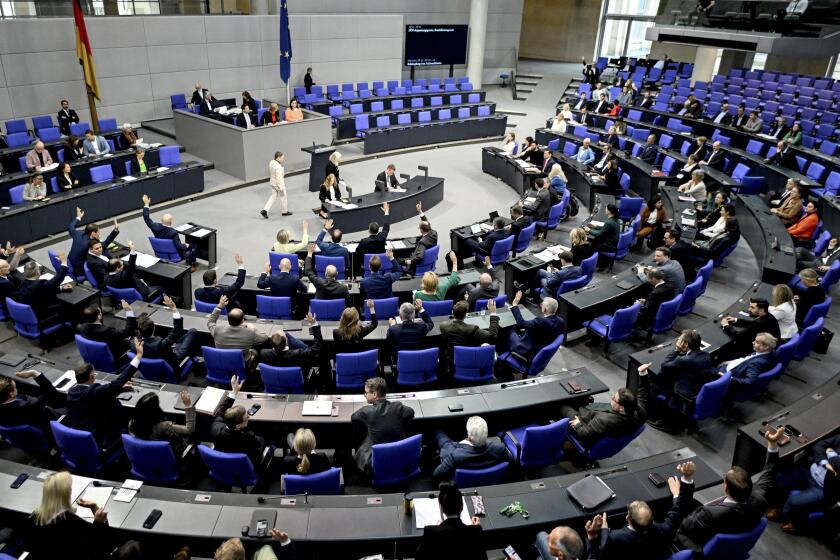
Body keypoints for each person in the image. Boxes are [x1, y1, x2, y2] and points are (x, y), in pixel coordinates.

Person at [674, 427, 784, 553]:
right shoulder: (760, 499)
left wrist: (679, 495)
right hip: (733, 546)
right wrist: (772, 443)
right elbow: (770, 470)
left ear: (725, 487)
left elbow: (682, 532)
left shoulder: (709, 514)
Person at [586, 462, 697, 559]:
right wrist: (686, 480)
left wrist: (603, 530)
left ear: (628, 518)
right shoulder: (664, 529)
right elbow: (679, 509)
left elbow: (603, 550)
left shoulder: (615, 538)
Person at [68, 342, 142, 444]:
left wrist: (119, 388)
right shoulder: (94, 391)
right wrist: (138, 356)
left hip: (80, 434)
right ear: (92, 377)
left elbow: (98, 396)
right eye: (93, 373)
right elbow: (118, 382)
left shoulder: (72, 392)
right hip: (100, 437)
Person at [24, 471, 109, 560]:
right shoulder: (70, 521)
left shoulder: (35, 517)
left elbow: (28, 545)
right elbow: (100, 543)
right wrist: (98, 520)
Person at [561, 362, 649, 446]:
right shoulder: (640, 410)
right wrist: (643, 373)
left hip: (584, 422)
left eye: (614, 399)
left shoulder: (605, 420)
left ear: (621, 408)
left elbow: (585, 434)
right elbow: (643, 393)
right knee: (583, 398)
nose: (612, 398)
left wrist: (578, 425)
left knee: (562, 405)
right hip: (598, 416)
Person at [768, 433, 840, 534]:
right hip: (810, 472)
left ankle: (788, 518)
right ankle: (784, 509)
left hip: (823, 487)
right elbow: (819, 445)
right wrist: (825, 462)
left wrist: (831, 454)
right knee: (781, 477)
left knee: (794, 500)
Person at [647, 330, 715, 432]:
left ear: (685, 344)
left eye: (680, 339)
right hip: (698, 388)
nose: (678, 339)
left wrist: (676, 350)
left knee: (654, 383)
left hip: (684, 391)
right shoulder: (706, 355)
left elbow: (665, 365)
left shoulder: (684, 360)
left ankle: (663, 421)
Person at [351, 377, 414, 473]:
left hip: (376, 463)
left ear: (375, 394)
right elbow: (411, 412)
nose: (364, 395)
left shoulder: (366, 411)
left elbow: (353, 417)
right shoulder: (398, 406)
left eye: (366, 393)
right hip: (399, 457)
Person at [415, 483, 487, 560]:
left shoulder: (431, 532)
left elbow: (418, 557)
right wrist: (474, 528)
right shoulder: (476, 531)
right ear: (461, 507)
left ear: (441, 507)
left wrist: (437, 528)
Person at [210, 375, 267, 469]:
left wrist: (234, 392)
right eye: (246, 417)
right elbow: (260, 444)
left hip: (225, 466)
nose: (249, 416)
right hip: (246, 467)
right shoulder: (248, 437)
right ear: (238, 426)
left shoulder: (215, 428)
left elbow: (221, 410)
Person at [433, 416, 507, 479]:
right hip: (491, 483)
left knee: (439, 434)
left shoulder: (455, 455)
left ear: (469, 436)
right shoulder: (499, 449)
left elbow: (436, 474)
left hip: (460, 486)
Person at [129, 391, 195, 460]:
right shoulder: (163, 426)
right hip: (172, 457)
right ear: (155, 409)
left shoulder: (132, 423)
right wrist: (188, 406)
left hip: (149, 457)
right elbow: (189, 429)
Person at [439, 300, 500, 375]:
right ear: (465, 315)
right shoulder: (472, 329)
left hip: (453, 361)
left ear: (452, 312)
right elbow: (492, 335)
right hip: (472, 360)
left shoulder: (443, 326)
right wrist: (493, 313)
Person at [136, 295, 198, 368]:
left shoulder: (134, 344)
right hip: (174, 359)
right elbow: (177, 330)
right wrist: (174, 308)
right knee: (192, 331)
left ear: (139, 331)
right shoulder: (161, 344)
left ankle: (175, 345)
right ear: (154, 328)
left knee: (176, 340)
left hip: (158, 360)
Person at [142, 194, 197, 268]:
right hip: (175, 255)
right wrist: (187, 245)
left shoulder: (155, 227)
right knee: (193, 247)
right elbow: (179, 246)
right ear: (171, 223)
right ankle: (191, 265)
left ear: (161, 221)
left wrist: (146, 204)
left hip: (161, 253)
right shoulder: (173, 232)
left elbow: (146, 218)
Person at [506, 291, 564, 361]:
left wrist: (515, 305)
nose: (541, 305)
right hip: (539, 348)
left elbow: (521, 324)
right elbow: (542, 331)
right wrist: (528, 329)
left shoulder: (541, 321)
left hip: (526, 350)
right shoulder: (561, 321)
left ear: (544, 309)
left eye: (542, 304)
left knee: (508, 330)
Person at [257, 314, 322, 374]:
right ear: (286, 343)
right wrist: (314, 324)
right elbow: (317, 347)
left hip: (275, 381)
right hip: (298, 380)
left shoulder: (264, 353)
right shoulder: (299, 353)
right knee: (305, 347)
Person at [720, 333, 779, 398]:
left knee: (711, 369)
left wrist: (729, 378)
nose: (753, 342)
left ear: (765, 347)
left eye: (756, 342)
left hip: (730, 376)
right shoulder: (771, 352)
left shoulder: (756, 363)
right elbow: (747, 358)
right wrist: (732, 362)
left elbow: (749, 381)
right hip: (739, 366)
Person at [14, 256, 70, 322]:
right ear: (38, 273)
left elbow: (44, 290)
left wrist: (61, 288)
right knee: (66, 305)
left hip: (28, 312)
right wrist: (64, 262)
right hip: (40, 315)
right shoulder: (40, 283)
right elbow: (58, 278)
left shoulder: (23, 283)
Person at [403, 202, 438, 275]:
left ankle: (406, 271)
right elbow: (427, 223)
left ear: (421, 230)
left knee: (398, 259)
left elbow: (419, 257)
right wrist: (420, 211)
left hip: (415, 262)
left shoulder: (422, 242)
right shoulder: (434, 233)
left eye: (419, 227)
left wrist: (410, 261)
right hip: (429, 260)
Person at [260, 151, 291, 220]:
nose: (283, 160)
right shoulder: (278, 167)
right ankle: (284, 211)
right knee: (284, 197)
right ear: (278, 157)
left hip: (272, 183)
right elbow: (279, 178)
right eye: (282, 158)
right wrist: (281, 187)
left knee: (273, 197)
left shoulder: (272, 162)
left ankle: (265, 210)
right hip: (278, 184)